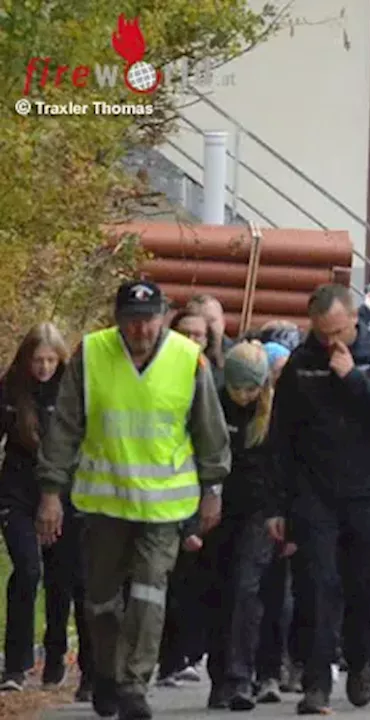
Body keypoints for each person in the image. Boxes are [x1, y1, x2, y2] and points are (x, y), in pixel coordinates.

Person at [36, 281, 231, 720]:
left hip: (165, 508)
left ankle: (133, 685)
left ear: (163, 316)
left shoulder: (186, 359)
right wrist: (50, 491)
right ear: (117, 319)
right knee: (101, 601)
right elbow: (65, 427)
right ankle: (107, 672)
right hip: (105, 503)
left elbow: (209, 431)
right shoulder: (92, 354)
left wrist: (213, 490)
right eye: (131, 320)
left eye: (148, 319)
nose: (140, 329)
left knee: (148, 592)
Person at [264, 284, 370, 714]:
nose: (330, 342)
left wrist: (355, 379)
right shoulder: (302, 361)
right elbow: (282, 435)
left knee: (364, 585)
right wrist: (277, 503)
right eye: (322, 333)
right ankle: (316, 680)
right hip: (314, 491)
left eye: (337, 332)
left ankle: (362, 664)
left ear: (354, 319)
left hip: (365, 489)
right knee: (316, 584)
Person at [0, 324, 94, 700]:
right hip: (17, 492)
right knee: (28, 569)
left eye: (50, 360)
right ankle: (16, 663)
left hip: (63, 493)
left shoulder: (72, 393)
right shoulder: (10, 391)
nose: (43, 367)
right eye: (37, 360)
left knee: (63, 578)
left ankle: (56, 654)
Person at [203, 342, 279, 711]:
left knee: (245, 588)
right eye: (239, 389)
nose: (245, 396)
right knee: (218, 588)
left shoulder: (275, 410)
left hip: (261, 510)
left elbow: (287, 464)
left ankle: (240, 677)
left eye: (251, 389)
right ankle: (219, 675)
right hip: (218, 506)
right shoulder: (214, 402)